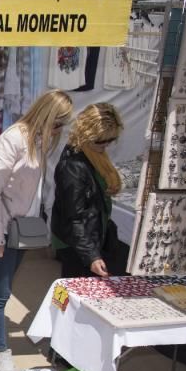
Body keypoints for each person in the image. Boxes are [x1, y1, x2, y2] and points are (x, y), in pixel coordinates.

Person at [0, 89, 73, 371]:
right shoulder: (14, 138)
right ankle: (1, 352)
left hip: (20, 227)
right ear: (46, 114)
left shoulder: (41, 140)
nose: (58, 130)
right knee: (2, 293)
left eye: (61, 125)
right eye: (57, 122)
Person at [51, 103, 128, 278]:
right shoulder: (73, 166)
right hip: (76, 241)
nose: (106, 145)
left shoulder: (93, 154)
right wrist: (91, 256)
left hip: (88, 235)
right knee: (75, 292)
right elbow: (74, 217)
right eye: (101, 140)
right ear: (87, 134)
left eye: (111, 139)